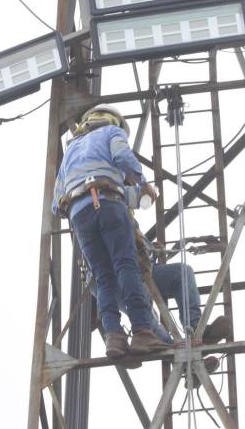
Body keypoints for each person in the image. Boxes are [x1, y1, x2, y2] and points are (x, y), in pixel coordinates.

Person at [53, 104, 170, 360]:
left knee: (104, 277)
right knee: (126, 266)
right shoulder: (111, 132)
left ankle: (114, 338)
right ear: (113, 120)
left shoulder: (71, 148)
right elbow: (123, 158)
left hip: (79, 215)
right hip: (108, 204)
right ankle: (142, 331)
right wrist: (144, 185)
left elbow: (56, 204)